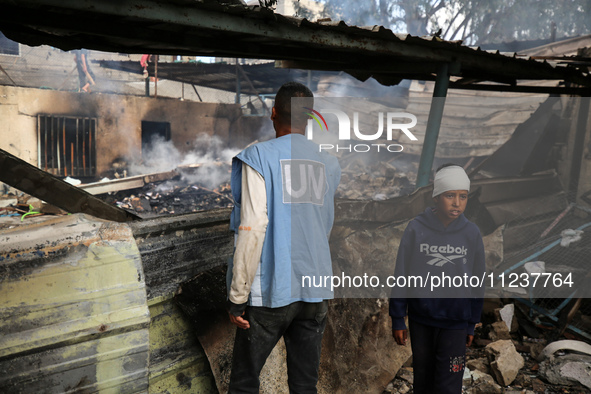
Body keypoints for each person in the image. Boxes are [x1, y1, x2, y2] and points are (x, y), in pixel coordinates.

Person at [227, 81, 341, 393]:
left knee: (243, 384)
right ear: (309, 118)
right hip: (315, 290)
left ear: (273, 113)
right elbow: (324, 225)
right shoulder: (328, 163)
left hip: (271, 293)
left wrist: (237, 297)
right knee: (305, 385)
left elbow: (252, 228)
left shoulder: (259, 157)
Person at [389, 164, 485, 394]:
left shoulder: (471, 234)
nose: (456, 203)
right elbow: (401, 274)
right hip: (422, 320)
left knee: (449, 386)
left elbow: (477, 281)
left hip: (455, 323)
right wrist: (398, 318)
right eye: (449, 195)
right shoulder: (416, 229)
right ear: (436, 196)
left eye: (463, 197)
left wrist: (471, 322)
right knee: (423, 381)